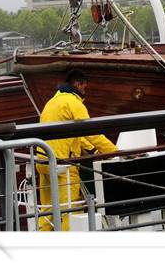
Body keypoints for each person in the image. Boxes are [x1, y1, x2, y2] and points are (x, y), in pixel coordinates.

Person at [35, 69, 118, 231]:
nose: (85, 91)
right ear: (78, 84)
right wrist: (114, 151)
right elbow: (91, 132)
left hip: (43, 161)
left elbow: (76, 135)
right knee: (70, 210)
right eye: (84, 87)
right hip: (63, 165)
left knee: (47, 211)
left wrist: (92, 150)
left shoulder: (52, 102)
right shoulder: (73, 103)